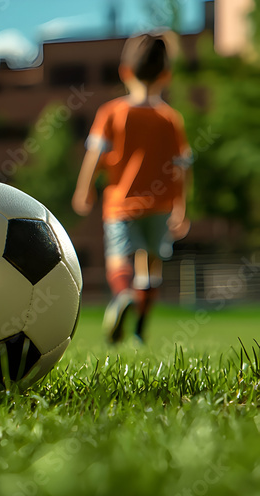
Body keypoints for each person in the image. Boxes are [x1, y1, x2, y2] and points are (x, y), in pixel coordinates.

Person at [72, 30, 192, 344]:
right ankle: (140, 325)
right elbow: (182, 168)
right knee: (150, 264)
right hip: (161, 205)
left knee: (118, 258)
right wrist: (182, 207)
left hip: (122, 203)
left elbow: (95, 155)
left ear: (125, 71)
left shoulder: (111, 112)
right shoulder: (170, 119)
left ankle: (123, 294)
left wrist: (84, 187)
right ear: (166, 75)